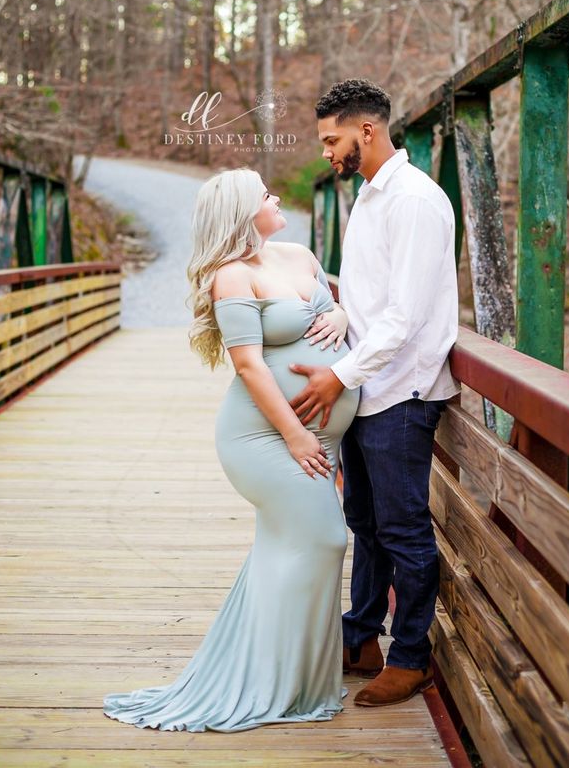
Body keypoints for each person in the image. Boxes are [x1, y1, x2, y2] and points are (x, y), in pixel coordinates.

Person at [102, 167, 360, 732]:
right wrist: (295, 435)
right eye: (264, 194)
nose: (274, 196)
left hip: (319, 435)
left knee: (284, 550)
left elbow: (339, 307)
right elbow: (246, 363)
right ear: (244, 214)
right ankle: (272, 683)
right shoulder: (230, 277)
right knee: (325, 537)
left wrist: (341, 312)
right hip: (265, 437)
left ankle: (291, 679)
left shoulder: (298, 255)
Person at [290, 78, 460, 708]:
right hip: (368, 385)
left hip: (403, 392)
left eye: (332, 139)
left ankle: (412, 657)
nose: (325, 153)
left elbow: (407, 316)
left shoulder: (414, 200)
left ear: (366, 131)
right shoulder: (368, 197)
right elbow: (371, 297)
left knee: (404, 528)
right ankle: (361, 637)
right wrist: (338, 315)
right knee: (364, 521)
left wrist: (339, 374)